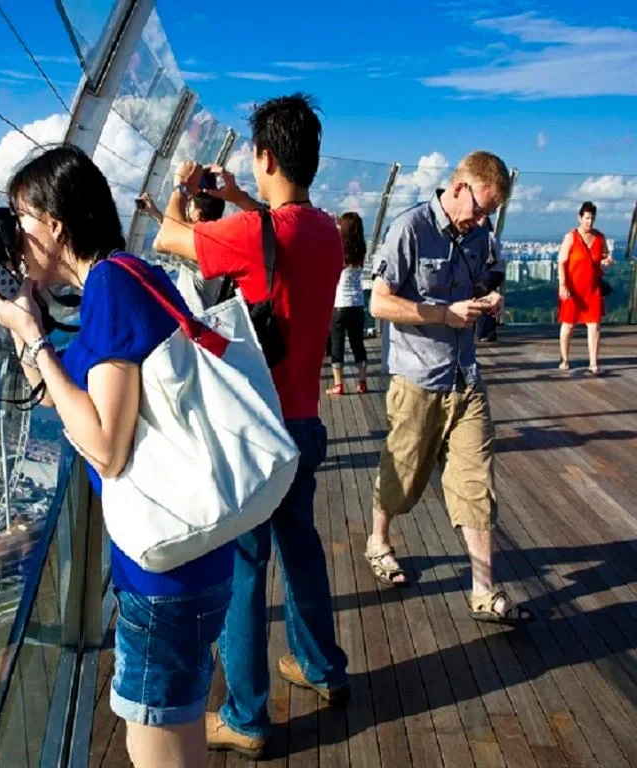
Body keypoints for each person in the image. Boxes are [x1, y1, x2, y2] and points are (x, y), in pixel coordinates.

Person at [0, 144, 234, 768]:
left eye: (22, 221)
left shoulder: (110, 287)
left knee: (154, 745)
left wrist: (34, 337)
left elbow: (103, 445)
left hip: (165, 574)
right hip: (187, 555)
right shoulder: (128, 275)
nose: (16, 237)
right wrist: (29, 327)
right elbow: (68, 401)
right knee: (170, 731)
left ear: (56, 224)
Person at [151, 93, 349, 760]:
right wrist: (241, 197)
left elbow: (165, 239)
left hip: (257, 432)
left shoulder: (253, 233)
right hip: (307, 425)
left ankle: (246, 716)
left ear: (263, 155)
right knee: (302, 552)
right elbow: (280, 231)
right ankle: (322, 667)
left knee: (245, 569)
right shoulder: (326, 231)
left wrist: (184, 191)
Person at [366, 150, 533, 626]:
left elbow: (488, 278)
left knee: (477, 483)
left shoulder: (480, 236)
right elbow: (379, 303)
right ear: (458, 186)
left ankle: (483, 589)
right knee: (403, 472)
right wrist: (442, 313)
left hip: (466, 377)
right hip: (417, 378)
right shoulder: (410, 229)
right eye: (479, 208)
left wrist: (494, 299)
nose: (481, 220)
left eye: (490, 213)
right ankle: (379, 538)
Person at [137, 183, 227, 311]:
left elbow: (163, 242)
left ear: (198, 215)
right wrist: (156, 214)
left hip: (195, 320)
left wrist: (180, 190)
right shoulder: (212, 241)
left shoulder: (199, 247)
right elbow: (176, 236)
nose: (186, 208)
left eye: (189, 205)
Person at [558, 200, 614, 374]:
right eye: (587, 218)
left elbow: (603, 255)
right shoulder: (571, 237)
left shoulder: (600, 237)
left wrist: (606, 261)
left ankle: (593, 362)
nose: (589, 222)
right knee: (568, 325)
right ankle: (564, 358)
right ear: (580, 218)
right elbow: (561, 261)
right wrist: (562, 284)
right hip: (573, 288)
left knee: (594, 325)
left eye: (592, 218)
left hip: (592, 288)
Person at [327, 212, 369, 396]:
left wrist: (333, 224)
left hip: (339, 305)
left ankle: (338, 385)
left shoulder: (338, 248)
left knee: (337, 345)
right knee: (357, 344)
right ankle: (362, 383)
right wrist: (339, 224)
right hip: (357, 304)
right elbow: (349, 234)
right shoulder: (360, 249)